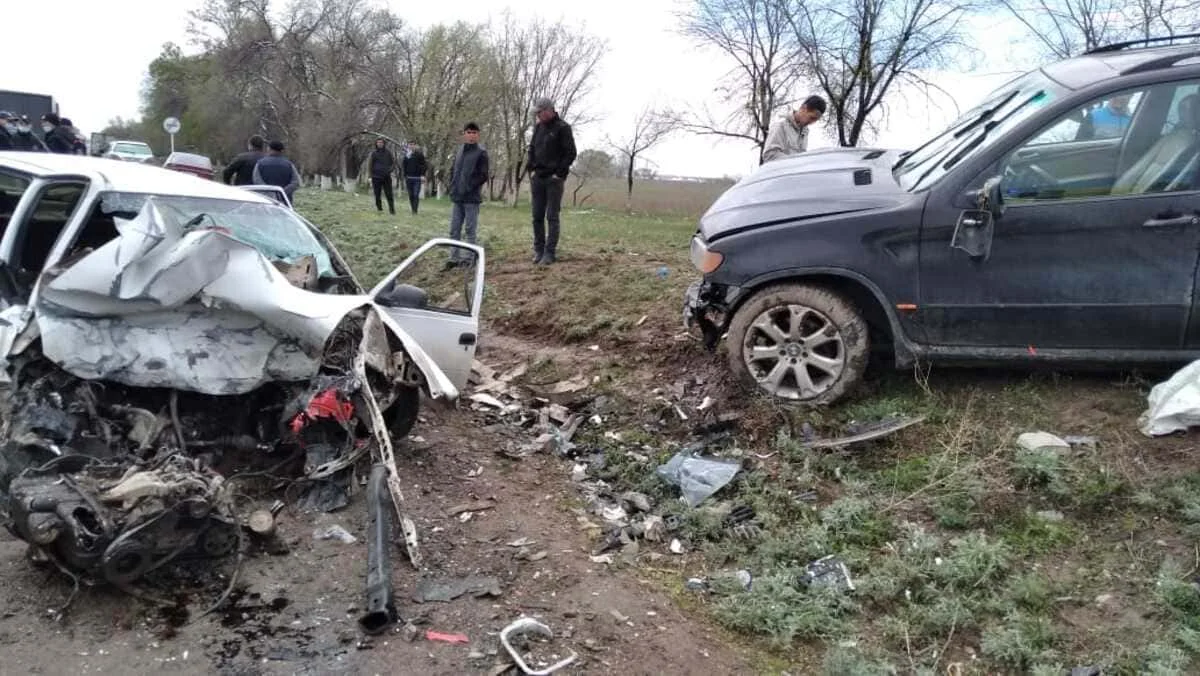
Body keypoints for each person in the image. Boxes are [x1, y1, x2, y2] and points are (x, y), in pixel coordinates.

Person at [525, 98, 576, 265]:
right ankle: (538, 250)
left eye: (540, 112)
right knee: (536, 216)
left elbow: (570, 153)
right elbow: (532, 149)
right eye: (537, 113)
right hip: (538, 177)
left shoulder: (563, 128)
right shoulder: (538, 128)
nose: (538, 115)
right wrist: (531, 168)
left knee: (552, 216)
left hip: (554, 179)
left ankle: (549, 253)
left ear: (549, 110)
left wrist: (559, 174)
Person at [445, 123, 489, 268]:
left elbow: (483, 175)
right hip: (457, 197)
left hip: (471, 198)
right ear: (464, 134)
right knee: (454, 228)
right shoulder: (459, 150)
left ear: (478, 135)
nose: (471, 135)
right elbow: (454, 170)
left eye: (474, 132)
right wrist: (452, 185)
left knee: (470, 229)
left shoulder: (481, 153)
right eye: (469, 132)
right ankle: (454, 258)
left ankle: (470, 258)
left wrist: (469, 186)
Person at [762, 95, 827, 164]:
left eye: (816, 120)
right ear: (804, 108)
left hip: (794, 173)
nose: (812, 122)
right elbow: (769, 156)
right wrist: (796, 162)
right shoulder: (781, 125)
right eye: (812, 118)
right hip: (779, 173)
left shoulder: (805, 132)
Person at [369, 138, 397, 214]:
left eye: (381, 142)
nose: (380, 144)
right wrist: (370, 176)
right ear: (376, 144)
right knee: (377, 194)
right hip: (376, 177)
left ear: (384, 144)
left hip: (386, 177)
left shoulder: (388, 153)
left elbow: (393, 163)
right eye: (378, 142)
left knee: (389, 194)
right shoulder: (374, 153)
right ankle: (379, 209)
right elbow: (370, 165)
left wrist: (389, 170)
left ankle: (392, 210)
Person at [401, 142, 427, 215]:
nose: (411, 146)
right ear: (408, 146)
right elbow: (404, 166)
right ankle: (413, 208)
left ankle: (415, 211)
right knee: (411, 195)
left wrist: (422, 175)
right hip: (409, 178)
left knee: (416, 194)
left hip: (417, 178)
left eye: (413, 145)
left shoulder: (419, 155)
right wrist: (404, 175)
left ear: (415, 146)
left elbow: (424, 165)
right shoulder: (407, 155)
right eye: (410, 145)